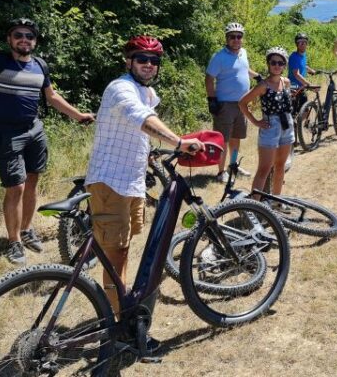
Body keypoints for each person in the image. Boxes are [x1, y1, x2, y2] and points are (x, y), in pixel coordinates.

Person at [0, 2, 94, 264]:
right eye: (19, 35)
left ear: (35, 42)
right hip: (5, 134)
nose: (24, 39)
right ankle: (14, 241)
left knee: (32, 181)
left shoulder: (40, 65)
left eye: (29, 36)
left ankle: (27, 230)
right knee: (15, 187)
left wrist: (77, 115)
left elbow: (51, 97)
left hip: (34, 130)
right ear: (9, 39)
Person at [85, 36, 203, 327]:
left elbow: (138, 130)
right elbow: (140, 119)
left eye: (154, 61)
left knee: (123, 250)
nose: (149, 65)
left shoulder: (145, 92)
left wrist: (151, 153)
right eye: (142, 59)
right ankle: (117, 324)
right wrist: (178, 141)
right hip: (112, 182)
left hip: (131, 181)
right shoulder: (120, 87)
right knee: (115, 257)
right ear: (129, 61)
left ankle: (118, 311)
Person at [239, 47, 295, 203]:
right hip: (270, 128)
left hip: (287, 126)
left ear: (284, 65)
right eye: (273, 62)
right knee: (264, 169)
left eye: (280, 63)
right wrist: (255, 121)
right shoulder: (263, 85)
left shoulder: (286, 82)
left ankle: (277, 201)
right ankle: (254, 208)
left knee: (280, 166)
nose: (277, 65)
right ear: (268, 64)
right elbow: (242, 103)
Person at [206, 23, 259, 182]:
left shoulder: (243, 53)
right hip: (225, 105)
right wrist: (212, 99)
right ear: (227, 39)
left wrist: (257, 76)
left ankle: (233, 165)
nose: (236, 39)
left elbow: (244, 70)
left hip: (242, 104)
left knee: (236, 138)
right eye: (232, 36)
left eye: (239, 36)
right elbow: (209, 78)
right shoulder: (219, 57)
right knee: (223, 140)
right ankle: (221, 172)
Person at [288, 32, 316, 113]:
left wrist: (311, 70)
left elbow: (303, 66)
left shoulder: (303, 55)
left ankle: (298, 125)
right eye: (300, 42)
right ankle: (295, 124)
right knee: (294, 111)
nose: (303, 44)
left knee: (304, 110)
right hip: (294, 87)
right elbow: (296, 74)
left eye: (305, 42)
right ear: (297, 44)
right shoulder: (294, 57)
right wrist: (309, 84)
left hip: (301, 87)